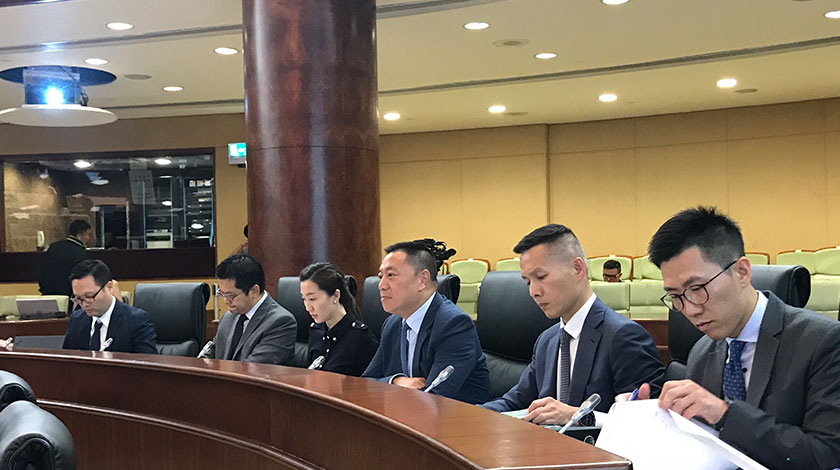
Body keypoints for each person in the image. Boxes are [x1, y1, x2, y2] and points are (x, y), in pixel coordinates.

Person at [628, 207, 840, 469]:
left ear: (741, 272)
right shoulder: (701, 353)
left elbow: (827, 454)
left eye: (697, 288)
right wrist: (651, 421)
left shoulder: (822, 341)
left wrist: (725, 415)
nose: (690, 309)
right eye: (675, 296)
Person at [481, 224, 664, 424]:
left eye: (541, 277)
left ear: (577, 269)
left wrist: (578, 416)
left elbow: (646, 423)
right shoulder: (547, 341)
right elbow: (515, 401)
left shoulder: (624, 336)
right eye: (528, 282)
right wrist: (466, 415)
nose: (533, 291)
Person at [362, 241, 491, 404]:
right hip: (408, 413)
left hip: (460, 417)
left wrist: (390, 387)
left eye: (391, 275)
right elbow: (366, 382)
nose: (381, 286)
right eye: (381, 276)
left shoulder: (454, 324)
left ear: (422, 280)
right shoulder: (393, 324)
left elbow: (434, 397)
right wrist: (396, 381)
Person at [199, 254, 296, 364]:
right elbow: (211, 353)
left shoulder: (280, 322)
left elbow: (255, 367)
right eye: (222, 294)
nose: (226, 301)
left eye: (230, 295)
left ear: (254, 291)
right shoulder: (228, 317)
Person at [62, 259, 157, 354]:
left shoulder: (136, 321)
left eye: (89, 296)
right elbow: (67, 360)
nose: (84, 304)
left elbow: (148, 361)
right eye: (79, 298)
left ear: (109, 287)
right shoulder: (77, 320)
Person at [300, 262, 378, 376]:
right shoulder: (315, 331)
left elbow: (372, 382)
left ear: (336, 295)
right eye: (304, 299)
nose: (308, 307)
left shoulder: (361, 338)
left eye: (312, 299)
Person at [38, 219, 92, 296]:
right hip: (68, 295)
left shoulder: (54, 247)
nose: (88, 238)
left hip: (48, 292)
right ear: (79, 235)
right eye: (88, 234)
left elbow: (42, 270)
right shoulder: (80, 252)